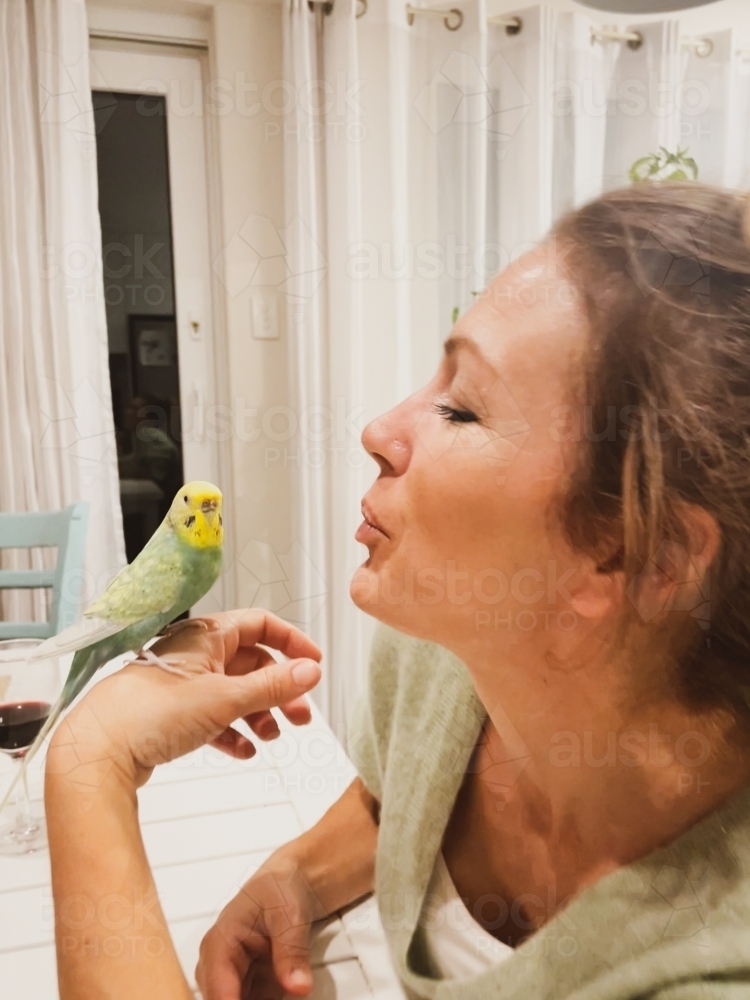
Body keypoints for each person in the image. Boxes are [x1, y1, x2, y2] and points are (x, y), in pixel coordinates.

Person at [47, 184, 750, 999]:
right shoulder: (439, 655)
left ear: (642, 554)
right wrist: (297, 876)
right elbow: (397, 796)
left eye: (460, 409)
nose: (378, 430)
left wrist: (90, 764)